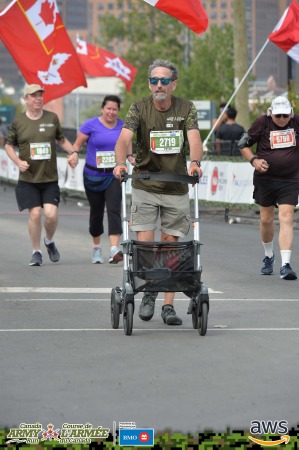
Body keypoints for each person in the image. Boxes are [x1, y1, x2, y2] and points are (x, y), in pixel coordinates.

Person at [113, 59, 203, 326]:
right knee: (146, 245)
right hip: (145, 184)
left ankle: (167, 305)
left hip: (176, 186)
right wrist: (120, 162)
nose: (159, 85)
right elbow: (124, 139)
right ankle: (149, 290)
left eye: (164, 80)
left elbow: (195, 139)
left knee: (171, 246)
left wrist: (195, 163)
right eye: (154, 80)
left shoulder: (186, 108)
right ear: (149, 84)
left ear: (173, 84)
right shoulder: (139, 107)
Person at [5, 84, 77, 266]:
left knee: (51, 214)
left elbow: (61, 139)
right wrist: (17, 161)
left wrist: (73, 152)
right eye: (33, 96)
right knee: (35, 214)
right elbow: (8, 145)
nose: (38, 98)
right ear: (26, 99)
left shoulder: (52, 118)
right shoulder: (18, 122)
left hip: (49, 178)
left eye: (40, 95)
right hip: (28, 179)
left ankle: (49, 241)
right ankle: (36, 251)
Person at [239, 96, 299, 280]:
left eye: (285, 115)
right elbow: (243, 144)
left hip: (290, 179)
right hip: (266, 179)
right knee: (266, 219)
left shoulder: (297, 122)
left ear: (291, 113)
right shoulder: (262, 123)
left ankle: (286, 264)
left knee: (287, 217)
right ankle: (268, 256)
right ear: (271, 113)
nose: (281, 119)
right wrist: (254, 161)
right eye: (278, 115)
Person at [71, 95, 133, 264]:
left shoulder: (123, 126)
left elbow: (127, 145)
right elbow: (76, 145)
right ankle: (97, 247)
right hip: (92, 175)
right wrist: (74, 155)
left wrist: (130, 156)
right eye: (108, 108)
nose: (111, 112)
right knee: (96, 212)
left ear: (118, 111)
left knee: (114, 209)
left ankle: (114, 249)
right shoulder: (90, 125)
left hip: (114, 175)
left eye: (115, 109)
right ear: (102, 109)